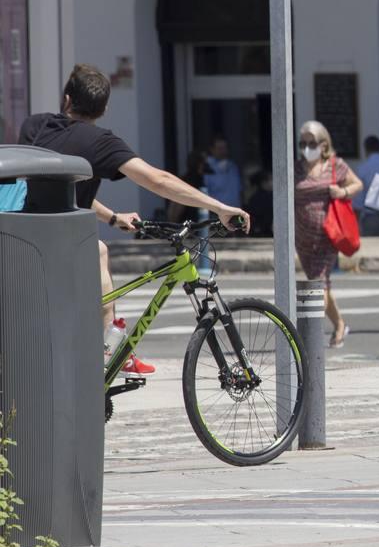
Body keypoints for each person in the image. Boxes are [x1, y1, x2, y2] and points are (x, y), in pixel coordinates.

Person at [21, 64, 250, 375]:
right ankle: (111, 351)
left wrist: (113, 217)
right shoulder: (100, 142)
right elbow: (158, 180)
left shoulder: (36, 127)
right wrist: (219, 207)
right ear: (104, 108)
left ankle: (106, 348)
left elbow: (63, 189)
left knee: (96, 250)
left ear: (66, 99)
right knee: (98, 250)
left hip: (24, 239)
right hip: (62, 247)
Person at [293, 121, 362, 348]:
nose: (306, 147)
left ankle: (308, 338)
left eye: (311, 143)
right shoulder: (294, 168)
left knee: (318, 284)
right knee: (321, 284)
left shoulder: (335, 166)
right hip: (303, 239)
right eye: (302, 143)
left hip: (328, 237)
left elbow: (357, 184)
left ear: (323, 145)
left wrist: (342, 191)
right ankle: (340, 324)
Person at [352, 134, 379, 237]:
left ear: (366, 149)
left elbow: (358, 200)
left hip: (371, 217)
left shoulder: (362, 168)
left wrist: (355, 225)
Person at [203, 136, 243, 209]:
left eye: (225, 148)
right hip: (216, 214)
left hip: (236, 212)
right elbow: (203, 193)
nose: (223, 151)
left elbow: (239, 191)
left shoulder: (233, 166)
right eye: (219, 148)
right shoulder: (206, 168)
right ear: (212, 149)